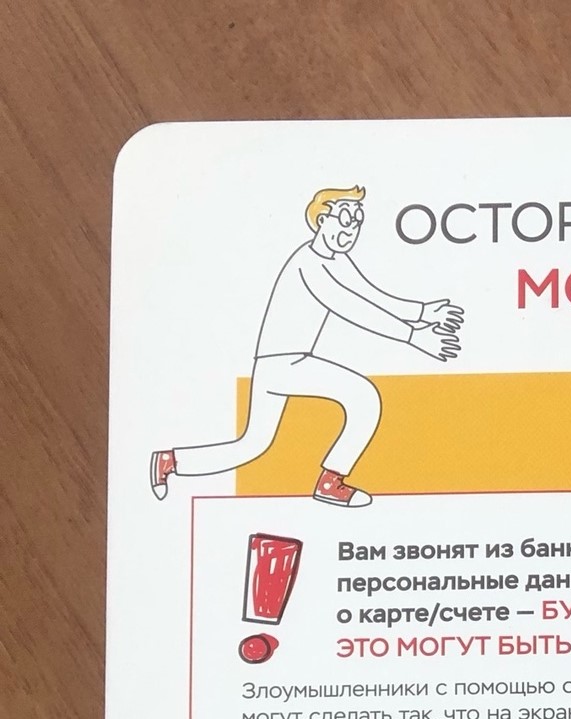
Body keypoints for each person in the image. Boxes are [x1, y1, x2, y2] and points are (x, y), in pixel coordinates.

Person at [149, 186, 463, 509]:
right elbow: (350, 306)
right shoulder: (308, 264)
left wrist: (423, 312)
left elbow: (371, 295)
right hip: (284, 364)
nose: (351, 229)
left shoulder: (335, 260)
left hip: (284, 364)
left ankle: (169, 461)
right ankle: (330, 483)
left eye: (357, 220)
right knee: (363, 397)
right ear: (321, 220)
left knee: (253, 444)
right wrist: (413, 336)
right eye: (344, 218)